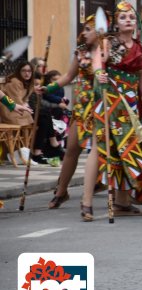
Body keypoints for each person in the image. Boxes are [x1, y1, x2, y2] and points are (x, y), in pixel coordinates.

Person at [88, 0, 142, 221]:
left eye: (131, 17)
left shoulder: (138, 47)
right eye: (122, 17)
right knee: (104, 150)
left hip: (132, 106)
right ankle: (86, 202)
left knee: (128, 151)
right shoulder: (108, 42)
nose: (127, 20)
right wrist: (99, 72)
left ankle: (122, 202)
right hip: (111, 101)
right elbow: (97, 61)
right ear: (116, 23)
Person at [45, 15, 102, 209]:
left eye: (88, 29)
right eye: (83, 29)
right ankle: (62, 191)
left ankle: (115, 192)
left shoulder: (109, 51)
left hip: (104, 107)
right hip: (83, 107)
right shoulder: (81, 52)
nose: (83, 33)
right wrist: (48, 89)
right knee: (72, 149)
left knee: (103, 151)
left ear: (99, 31)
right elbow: (69, 76)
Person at [28, 70, 66, 165]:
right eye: (35, 84)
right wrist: (57, 105)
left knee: (45, 116)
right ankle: (54, 144)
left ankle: (38, 152)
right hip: (23, 112)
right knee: (45, 115)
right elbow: (31, 103)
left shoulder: (40, 89)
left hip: (33, 111)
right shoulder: (26, 88)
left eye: (38, 84)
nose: (37, 86)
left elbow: (41, 103)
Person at [0, 62, 35, 127]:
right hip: (8, 108)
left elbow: (25, 99)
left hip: (15, 106)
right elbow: (16, 100)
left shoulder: (27, 83)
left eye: (29, 71)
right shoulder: (15, 81)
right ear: (19, 71)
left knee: (43, 114)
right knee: (40, 116)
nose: (27, 73)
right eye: (23, 71)